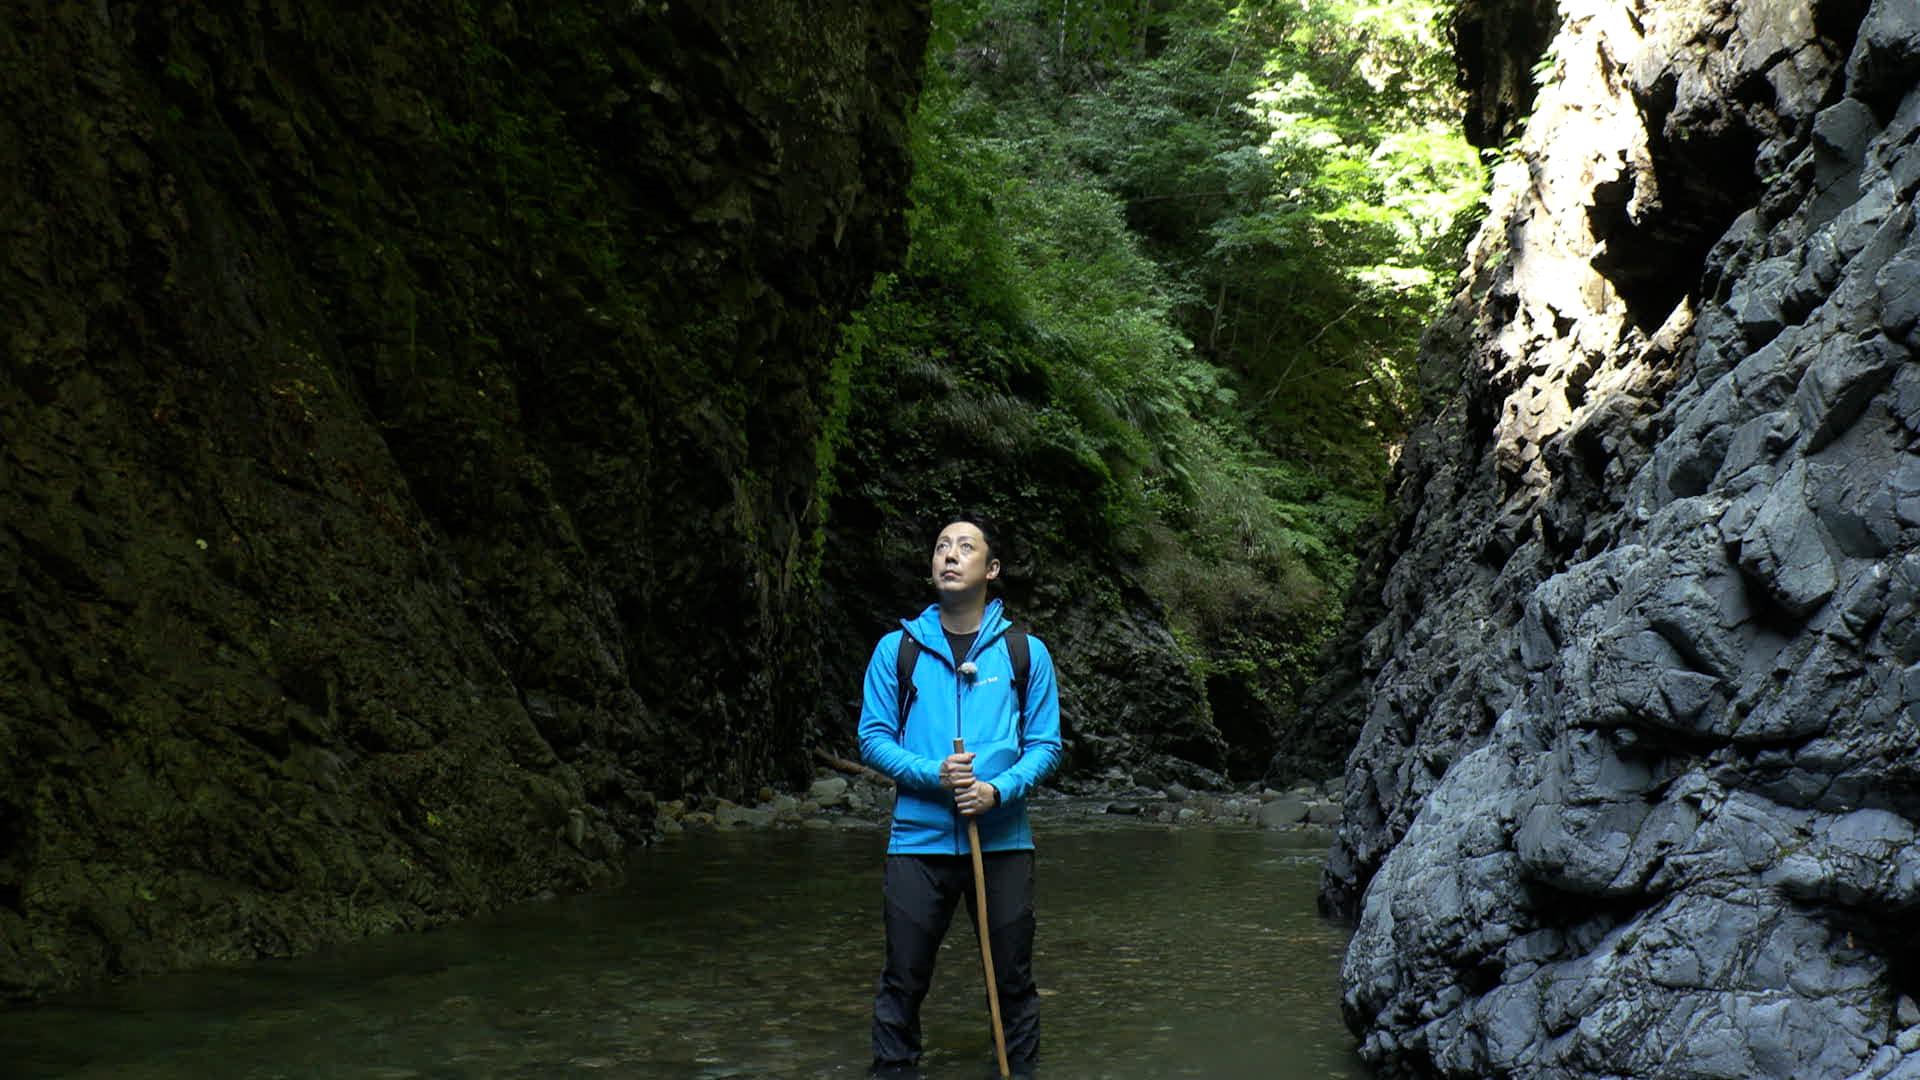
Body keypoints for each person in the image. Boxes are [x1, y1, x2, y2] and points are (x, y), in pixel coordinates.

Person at [859, 514, 1063, 1079]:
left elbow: (1045, 746)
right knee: (903, 979)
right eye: (942, 546)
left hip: (1002, 844)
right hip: (917, 843)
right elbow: (873, 737)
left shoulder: (1026, 653)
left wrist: (997, 790)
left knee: (1012, 980)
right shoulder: (896, 650)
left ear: (991, 569)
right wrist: (936, 775)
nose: (950, 554)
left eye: (965, 546)